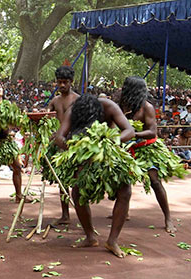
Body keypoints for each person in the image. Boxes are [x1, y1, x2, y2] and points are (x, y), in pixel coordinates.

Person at [55, 93, 135, 258]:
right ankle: (90, 236)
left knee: (125, 190)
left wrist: (111, 141)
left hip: (109, 154)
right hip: (84, 155)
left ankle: (112, 240)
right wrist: (68, 144)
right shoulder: (73, 110)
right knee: (77, 192)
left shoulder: (109, 106)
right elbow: (60, 135)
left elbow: (129, 131)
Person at [118, 76, 180, 233]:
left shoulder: (147, 107)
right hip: (127, 147)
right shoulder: (121, 105)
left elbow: (153, 132)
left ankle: (168, 218)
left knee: (155, 181)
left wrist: (134, 134)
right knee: (122, 181)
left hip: (146, 147)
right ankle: (123, 211)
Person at [47, 66, 80, 224]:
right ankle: (65, 215)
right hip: (59, 144)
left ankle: (82, 214)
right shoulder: (54, 101)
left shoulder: (78, 100)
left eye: (65, 82)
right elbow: (46, 116)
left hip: (74, 143)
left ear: (71, 82)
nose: (62, 85)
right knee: (62, 181)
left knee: (76, 180)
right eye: (59, 82)